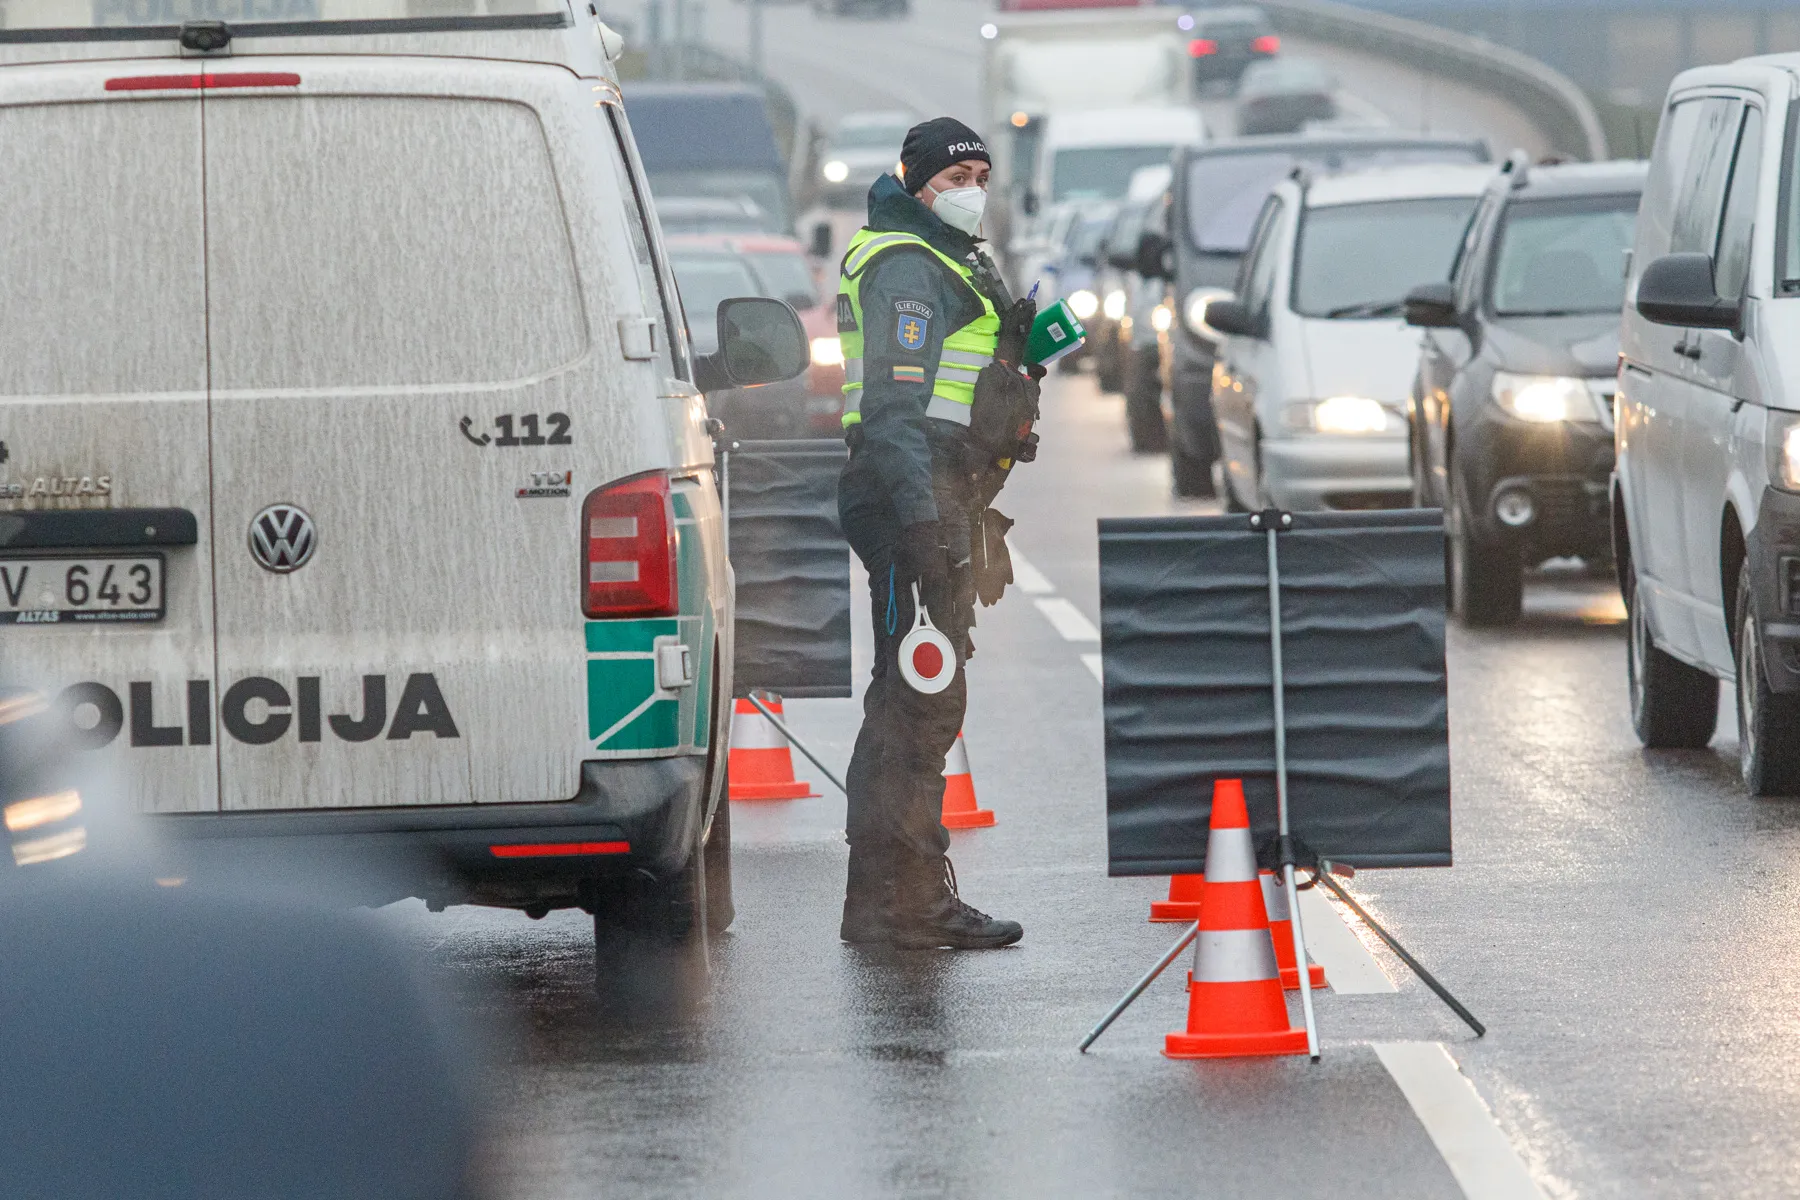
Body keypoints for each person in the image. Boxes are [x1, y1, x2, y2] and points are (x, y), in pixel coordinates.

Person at [834, 117, 1041, 950]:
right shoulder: (908, 268)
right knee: (918, 704)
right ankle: (907, 904)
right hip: (906, 498)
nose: (972, 191)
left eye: (981, 177)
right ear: (917, 183)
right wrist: (922, 522)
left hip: (932, 492)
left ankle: (882, 901)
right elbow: (892, 411)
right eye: (956, 179)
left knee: (909, 698)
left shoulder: (946, 259)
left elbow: (952, 391)